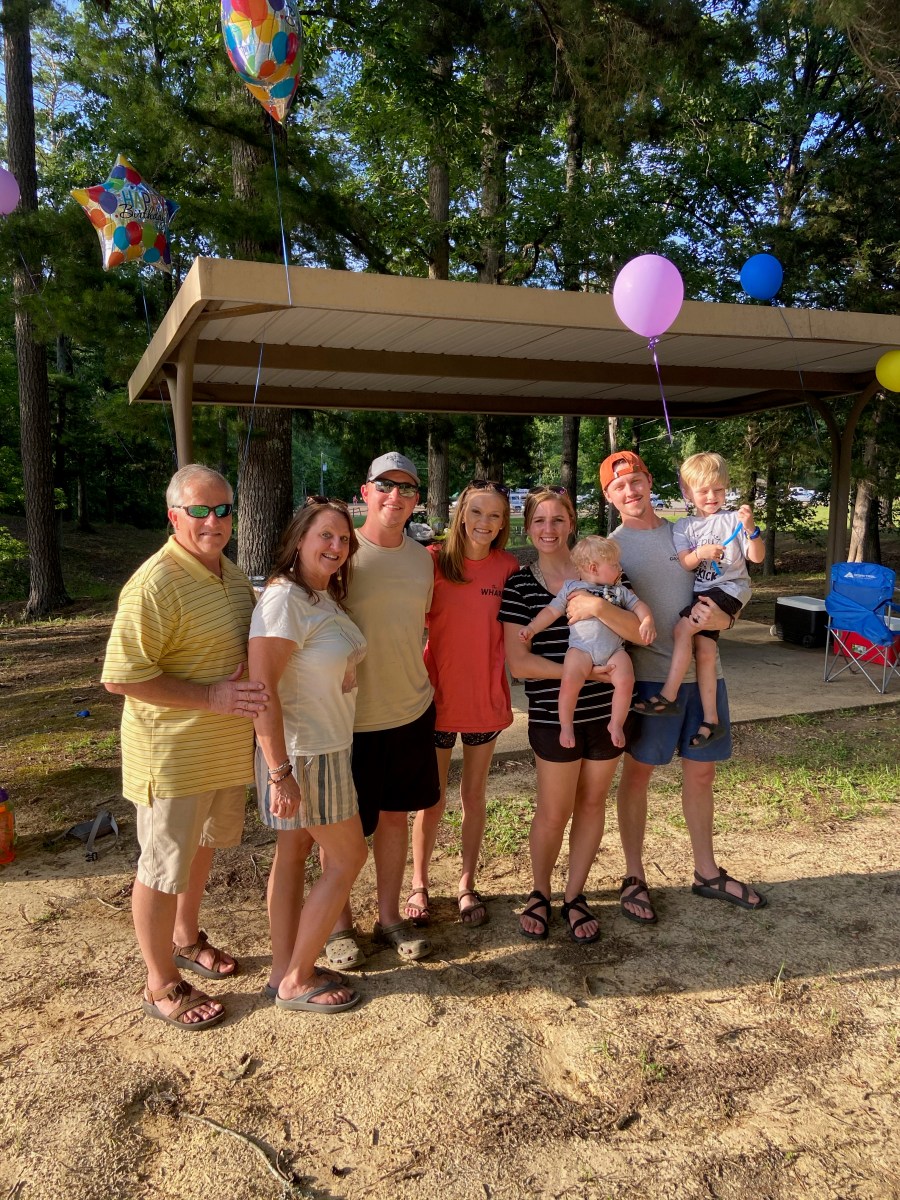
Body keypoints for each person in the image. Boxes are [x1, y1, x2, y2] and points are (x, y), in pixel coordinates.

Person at [102, 464, 268, 1030]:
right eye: (199, 510)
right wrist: (212, 696)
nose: (213, 521)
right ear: (174, 515)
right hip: (171, 758)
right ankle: (160, 983)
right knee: (160, 867)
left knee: (200, 849)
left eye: (223, 510)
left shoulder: (232, 575)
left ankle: (185, 937)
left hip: (221, 752)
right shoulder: (154, 583)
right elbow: (120, 677)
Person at [599, 450, 767, 922]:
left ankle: (706, 872)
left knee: (702, 774)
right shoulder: (611, 549)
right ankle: (634, 875)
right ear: (609, 497)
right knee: (638, 776)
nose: (630, 491)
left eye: (636, 480)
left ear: (651, 481)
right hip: (648, 679)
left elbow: (733, 583)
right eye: (618, 486)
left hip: (705, 675)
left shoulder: (689, 529)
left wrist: (727, 620)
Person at [500, 488, 642, 944]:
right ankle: (539, 892)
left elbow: (640, 633)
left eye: (558, 520)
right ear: (528, 528)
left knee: (592, 803)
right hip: (552, 714)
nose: (549, 529)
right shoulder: (520, 586)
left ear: (571, 524)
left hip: (606, 714)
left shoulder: (607, 571)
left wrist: (599, 607)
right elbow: (519, 663)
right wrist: (584, 673)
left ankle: (574, 895)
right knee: (554, 810)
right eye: (539, 521)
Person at [248, 499, 368, 1013]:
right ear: (299, 539)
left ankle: (283, 970)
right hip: (305, 754)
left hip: (320, 748)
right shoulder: (284, 601)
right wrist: (280, 772)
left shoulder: (318, 597)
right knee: (348, 857)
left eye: (344, 539)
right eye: (325, 536)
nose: (336, 546)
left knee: (293, 853)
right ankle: (298, 979)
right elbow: (261, 691)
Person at [324, 452, 440, 966]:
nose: (396, 496)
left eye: (407, 488)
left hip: (410, 710)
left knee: (394, 819)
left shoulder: (423, 559)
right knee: (341, 828)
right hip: (346, 718)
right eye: (385, 486)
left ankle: (389, 917)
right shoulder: (339, 552)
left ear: (417, 500)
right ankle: (338, 926)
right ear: (365, 492)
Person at [405, 481, 519, 928]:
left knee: (474, 795)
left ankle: (466, 883)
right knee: (430, 799)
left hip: (484, 701)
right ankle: (419, 883)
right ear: (460, 514)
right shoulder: (432, 560)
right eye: (476, 512)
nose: (484, 523)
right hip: (435, 700)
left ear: (503, 522)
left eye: (494, 515)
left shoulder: (507, 567)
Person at [632, 452, 765, 747]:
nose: (712, 497)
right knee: (704, 652)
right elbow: (685, 562)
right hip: (705, 591)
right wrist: (701, 553)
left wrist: (751, 529)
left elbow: (756, 557)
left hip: (729, 589)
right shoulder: (685, 526)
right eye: (703, 491)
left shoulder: (733, 520)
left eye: (719, 489)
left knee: (682, 629)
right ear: (687, 492)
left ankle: (668, 695)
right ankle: (711, 720)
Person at [519, 535, 655, 749]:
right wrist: (532, 628)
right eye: (614, 564)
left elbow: (639, 606)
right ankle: (566, 726)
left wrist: (647, 621)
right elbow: (551, 611)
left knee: (626, 680)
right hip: (581, 649)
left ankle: (615, 724)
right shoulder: (571, 588)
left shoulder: (619, 590)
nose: (620, 568)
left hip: (614, 650)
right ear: (593, 568)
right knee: (570, 680)